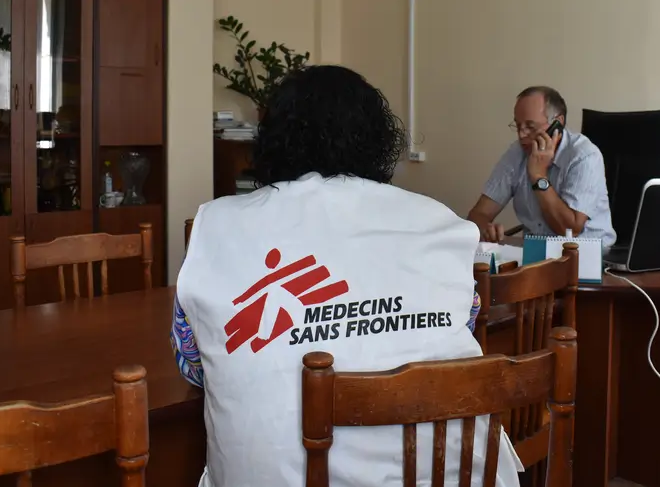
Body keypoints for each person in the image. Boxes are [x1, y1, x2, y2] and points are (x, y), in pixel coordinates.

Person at [172, 65, 521, 487]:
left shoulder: (218, 223)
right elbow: (461, 327)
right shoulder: (438, 220)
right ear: (376, 138)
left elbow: (195, 366)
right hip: (456, 475)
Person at [468, 86, 615, 248]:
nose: (522, 135)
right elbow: (478, 213)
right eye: (518, 126)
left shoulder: (584, 156)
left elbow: (570, 230)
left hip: (586, 256)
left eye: (530, 127)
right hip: (534, 253)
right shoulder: (517, 152)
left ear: (557, 124)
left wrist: (538, 176)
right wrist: (485, 228)